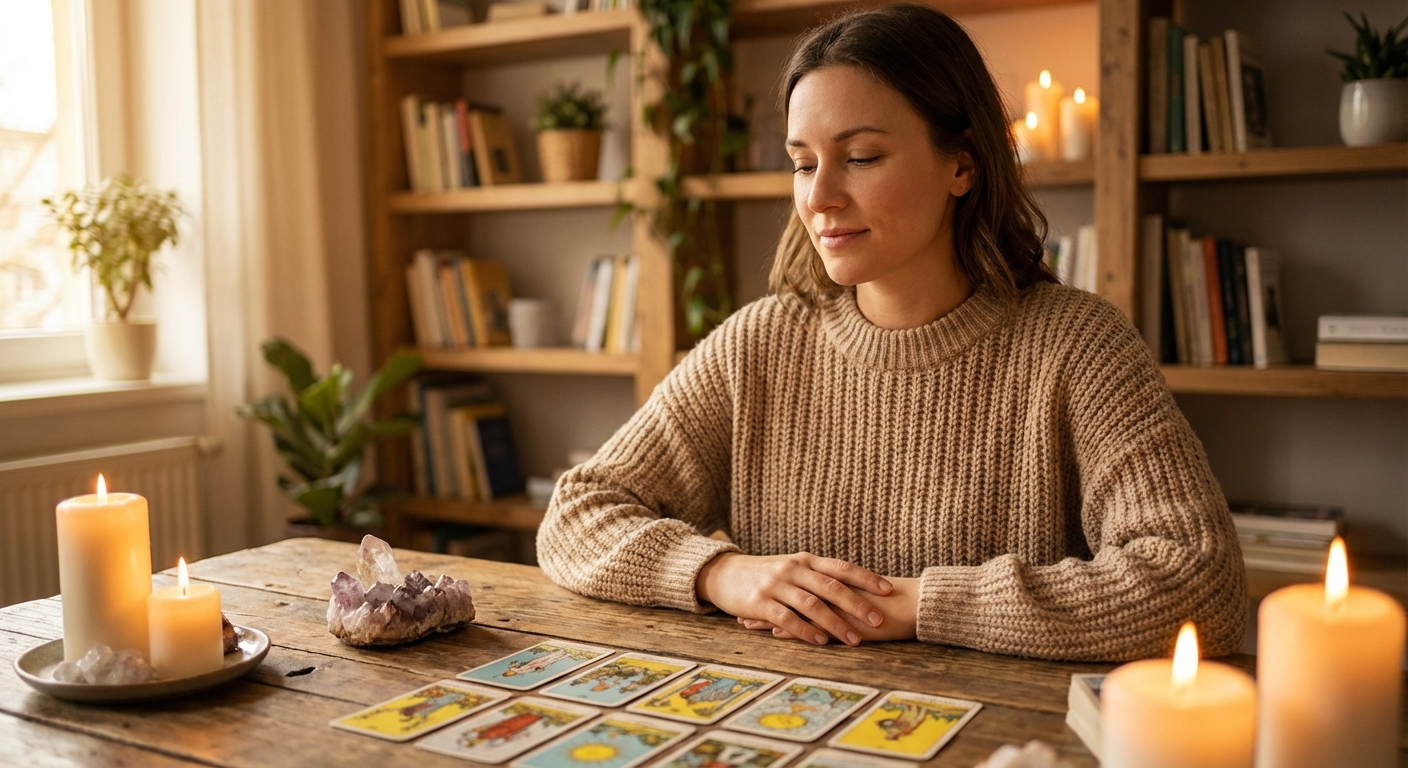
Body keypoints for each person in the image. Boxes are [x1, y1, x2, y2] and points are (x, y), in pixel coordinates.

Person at [536, 3, 1246, 662]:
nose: (819, 198)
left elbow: (1197, 581)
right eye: (802, 164)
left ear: (962, 164)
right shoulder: (758, 344)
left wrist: (919, 604)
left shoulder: (1078, 346)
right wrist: (720, 573)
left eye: (862, 157)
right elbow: (576, 514)